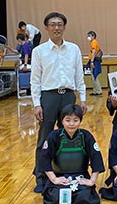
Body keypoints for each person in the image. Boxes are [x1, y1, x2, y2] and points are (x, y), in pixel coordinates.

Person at [30, 12, 87, 193]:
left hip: (68, 96)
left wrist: (83, 99)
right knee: (44, 138)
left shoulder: (74, 49)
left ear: (64, 27)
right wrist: (37, 103)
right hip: (48, 97)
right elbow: (35, 80)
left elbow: (79, 75)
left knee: (69, 137)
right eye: (53, 24)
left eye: (60, 24)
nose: (56, 28)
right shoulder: (39, 51)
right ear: (46, 28)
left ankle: (67, 172)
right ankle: (41, 177)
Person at [38, 104, 105, 204]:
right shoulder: (54, 136)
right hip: (60, 177)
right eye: (68, 120)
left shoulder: (86, 136)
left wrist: (92, 181)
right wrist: (54, 179)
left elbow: (96, 157)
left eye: (75, 120)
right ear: (62, 121)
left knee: (85, 196)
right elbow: (44, 159)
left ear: (80, 121)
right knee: (56, 198)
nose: (71, 124)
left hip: (80, 176)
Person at [87, 31, 102, 96]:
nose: (88, 37)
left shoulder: (94, 42)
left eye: (89, 36)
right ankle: (95, 90)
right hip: (94, 61)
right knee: (93, 77)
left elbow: (93, 52)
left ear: (93, 36)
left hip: (94, 61)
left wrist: (92, 61)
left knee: (94, 76)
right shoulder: (93, 42)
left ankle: (98, 91)